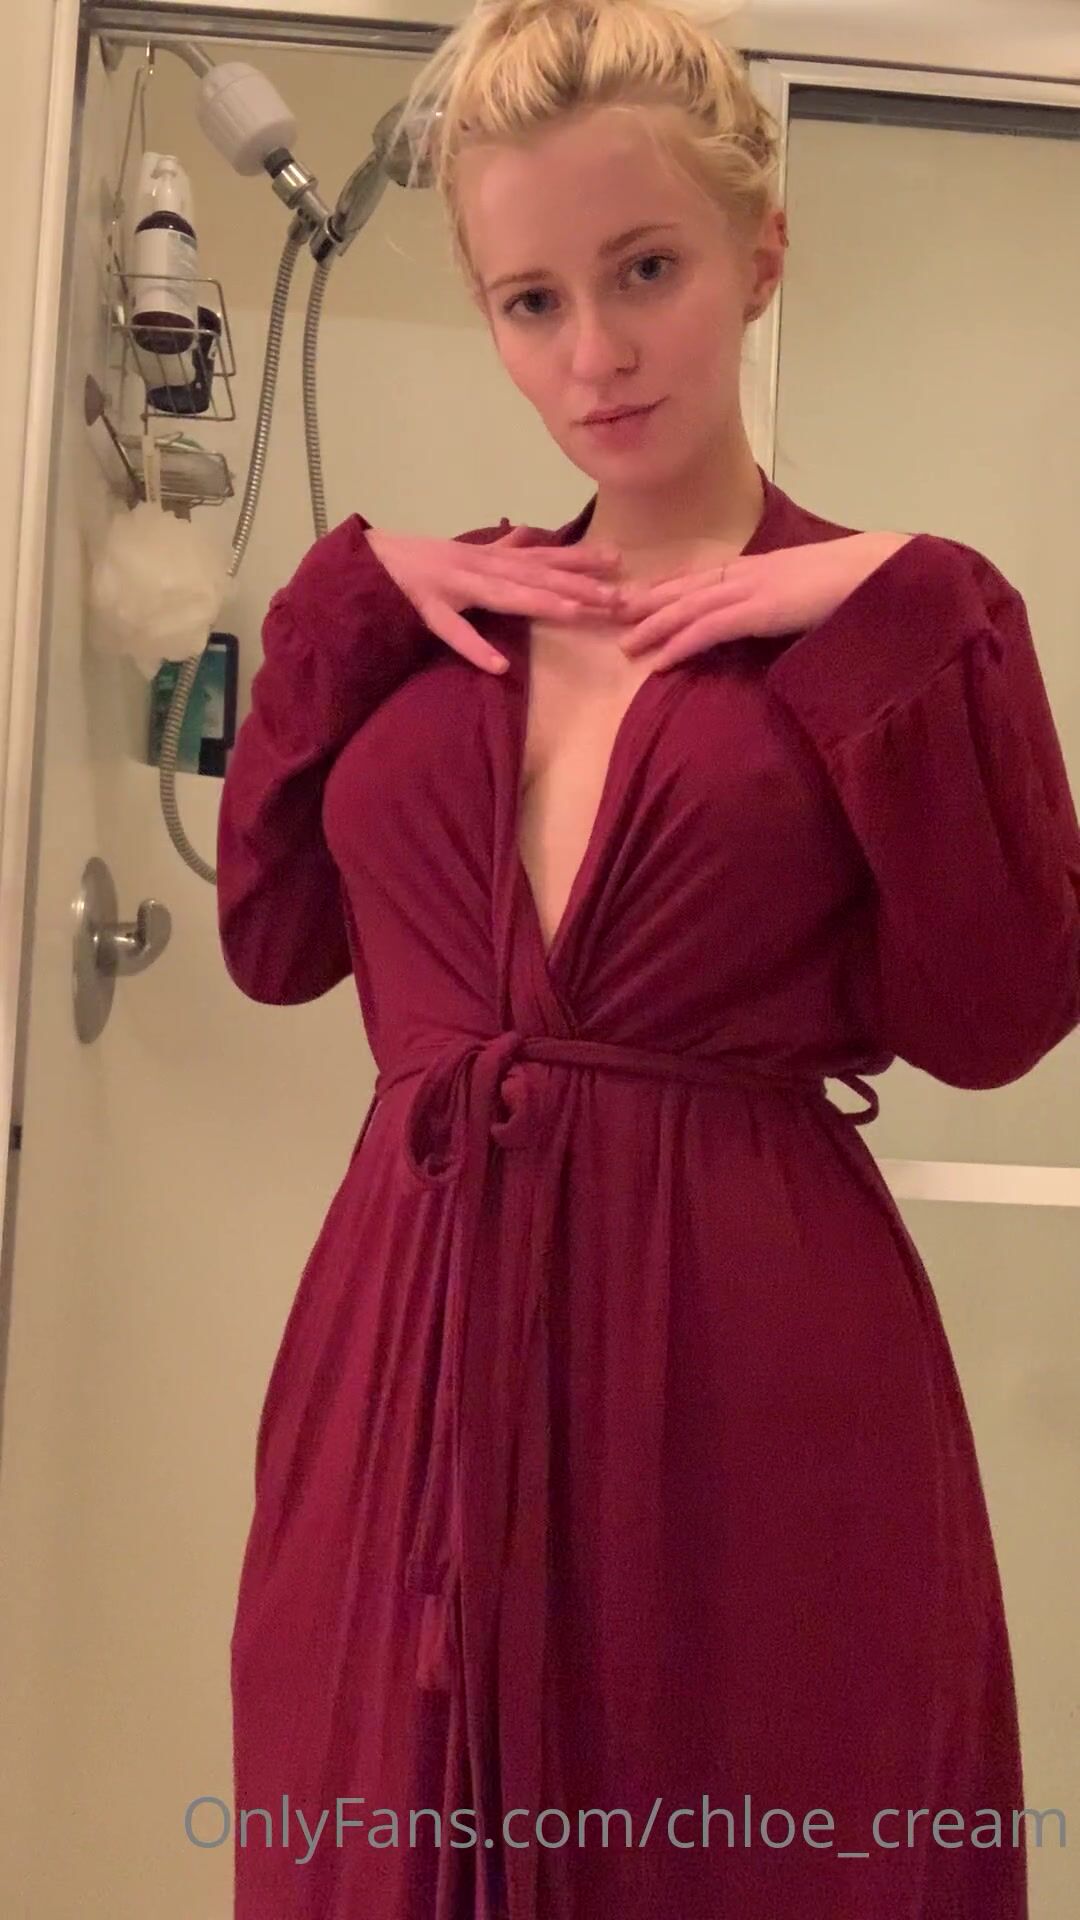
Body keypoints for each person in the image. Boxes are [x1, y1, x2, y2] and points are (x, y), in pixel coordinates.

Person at [215, 2, 1080, 1915]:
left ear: (762, 253)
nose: (593, 354)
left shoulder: (891, 623)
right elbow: (270, 946)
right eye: (530, 301)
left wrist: (910, 611)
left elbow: (999, 1017)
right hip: (408, 1362)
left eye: (646, 272)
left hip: (751, 1382)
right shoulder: (425, 631)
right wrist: (343, 602)